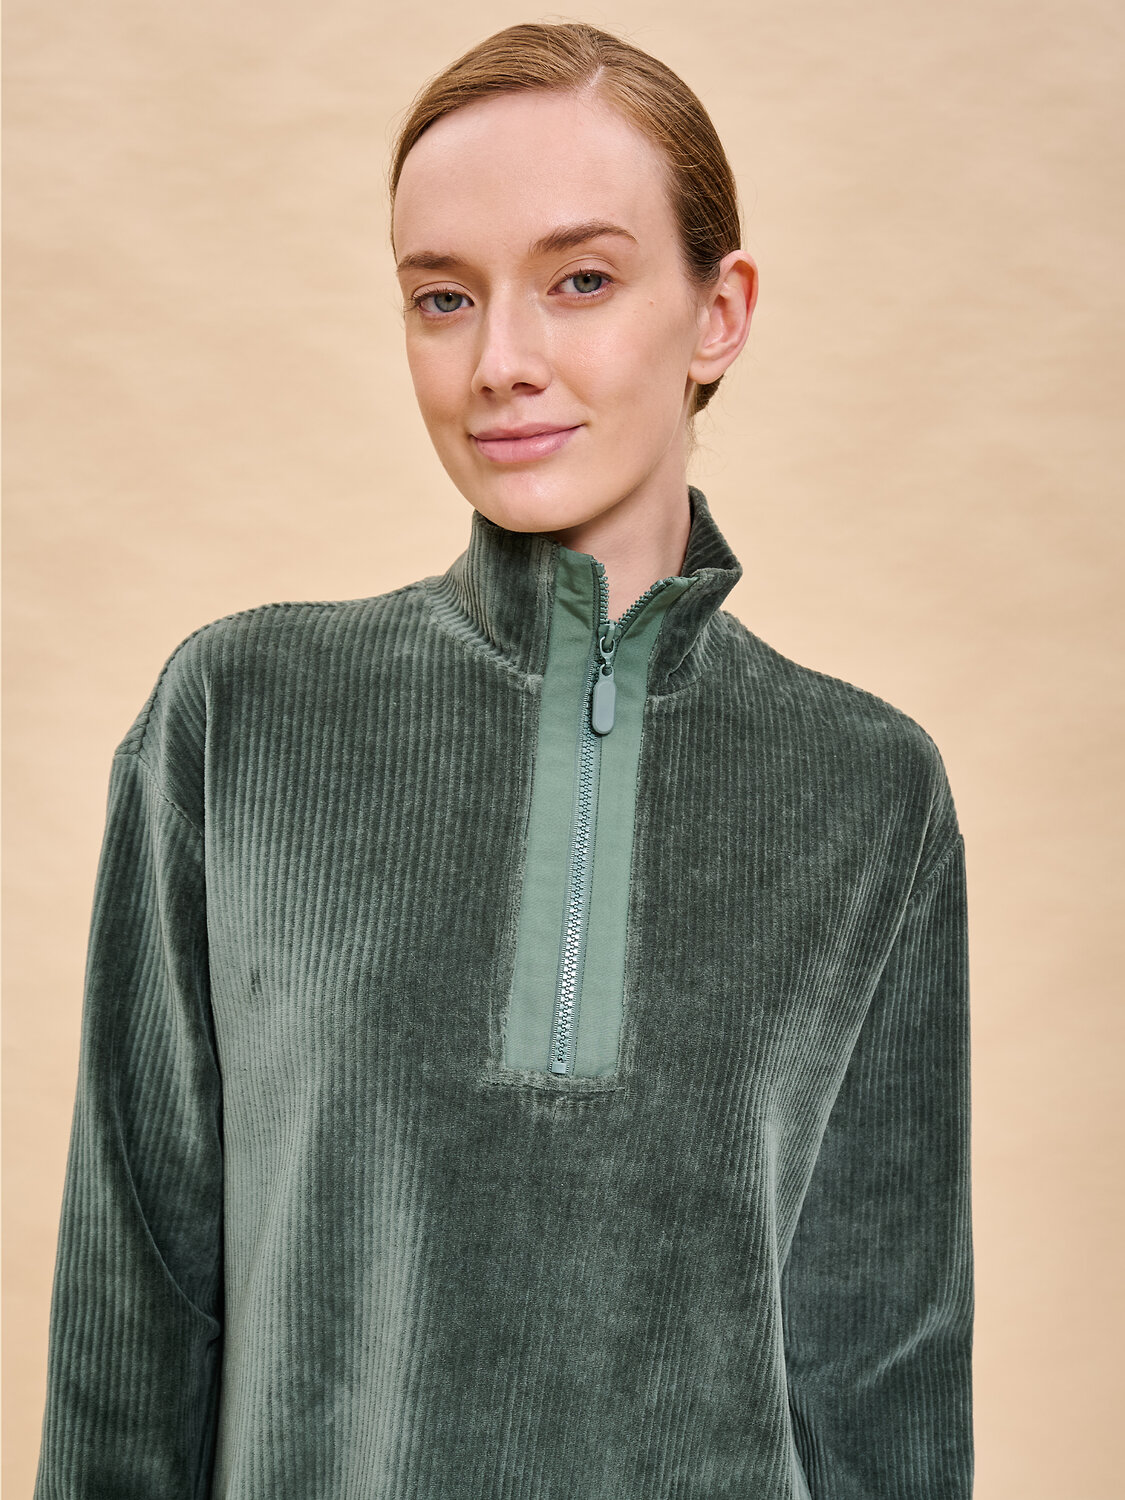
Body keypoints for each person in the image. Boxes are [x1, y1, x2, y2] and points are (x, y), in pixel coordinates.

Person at [34, 20, 973, 1499]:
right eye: (442, 297)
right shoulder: (237, 721)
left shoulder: (869, 792)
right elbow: (131, 1323)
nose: (500, 363)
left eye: (580, 281)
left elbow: (883, 1387)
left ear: (718, 313)